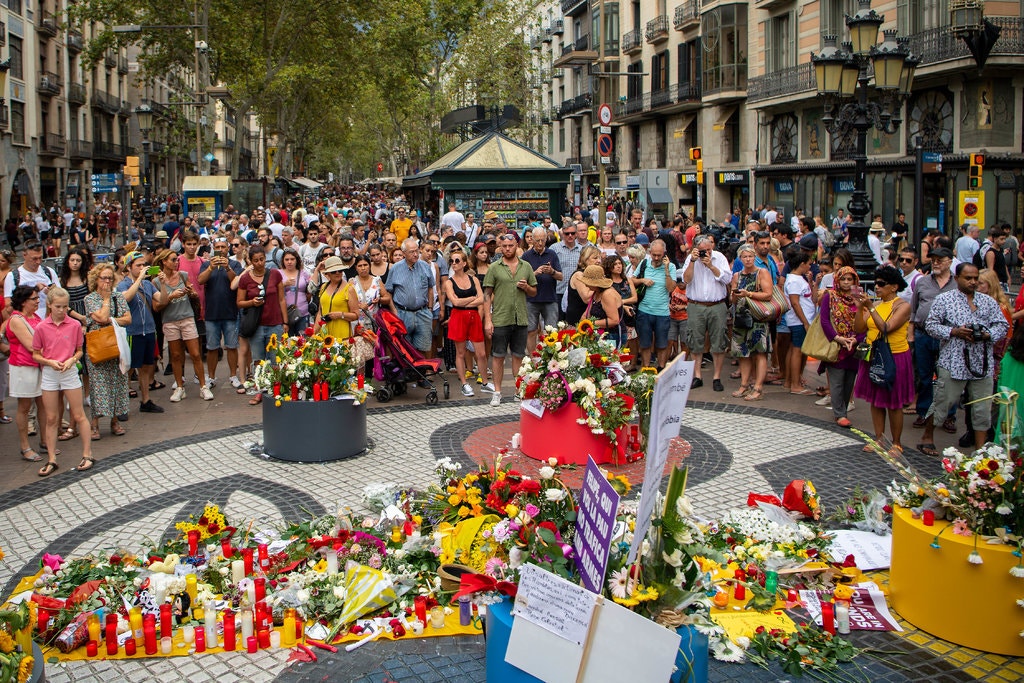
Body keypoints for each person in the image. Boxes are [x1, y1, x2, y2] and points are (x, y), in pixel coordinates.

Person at [917, 263, 1009, 454]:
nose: (973, 282)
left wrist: (987, 334)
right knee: (944, 401)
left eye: (976, 278)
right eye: (968, 278)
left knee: (982, 407)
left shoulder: (988, 301)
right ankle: (927, 436)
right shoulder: (944, 299)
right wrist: (954, 331)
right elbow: (931, 326)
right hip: (953, 361)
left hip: (982, 362)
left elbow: (1002, 325)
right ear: (957, 278)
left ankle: (981, 449)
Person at [853, 266, 914, 454]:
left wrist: (870, 308)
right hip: (873, 355)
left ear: (894, 287)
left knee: (894, 402)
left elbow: (886, 327)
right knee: (876, 400)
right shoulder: (877, 305)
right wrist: (861, 308)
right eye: (875, 283)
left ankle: (896, 443)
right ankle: (879, 438)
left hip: (894, 356)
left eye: (881, 284)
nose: (876, 287)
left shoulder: (902, 305)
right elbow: (859, 328)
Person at [32, 287, 93, 473]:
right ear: (49, 305)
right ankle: (51, 458)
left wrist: (72, 360)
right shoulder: (41, 327)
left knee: (78, 414)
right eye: (58, 306)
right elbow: (35, 354)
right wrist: (49, 361)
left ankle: (87, 453)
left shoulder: (74, 324)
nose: (62, 310)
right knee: (51, 417)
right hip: (50, 372)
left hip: (68, 370)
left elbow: (79, 350)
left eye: (65, 307)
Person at [483, 233, 537, 406]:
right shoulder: (494, 267)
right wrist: (488, 320)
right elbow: (487, 294)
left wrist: (526, 287)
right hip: (500, 317)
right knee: (498, 356)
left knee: (518, 356)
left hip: (520, 317)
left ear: (517, 245)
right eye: (504, 246)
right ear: (500, 247)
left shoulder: (526, 266)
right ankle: (497, 391)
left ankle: (517, 390)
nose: (507, 249)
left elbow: (534, 292)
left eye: (511, 246)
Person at [152, 250, 212, 402]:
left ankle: (203, 386)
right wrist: (171, 296)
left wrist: (190, 292)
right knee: (176, 356)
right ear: (164, 262)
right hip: (170, 320)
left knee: (195, 354)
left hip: (187, 317)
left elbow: (193, 293)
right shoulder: (157, 282)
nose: (176, 262)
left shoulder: (183, 275)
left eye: (177, 260)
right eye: (173, 260)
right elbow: (156, 307)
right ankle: (180, 387)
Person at [83, 263, 132, 440]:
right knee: (98, 385)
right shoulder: (90, 299)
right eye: (104, 278)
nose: (107, 282)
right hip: (98, 346)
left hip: (116, 344)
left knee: (118, 383)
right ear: (96, 279)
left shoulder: (118, 297)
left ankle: (115, 421)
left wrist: (111, 319)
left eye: (110, 278)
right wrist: (105, 301)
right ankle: (94, 424)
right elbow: (100, 317)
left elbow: (128, 319)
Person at [910, 247, 957, 427]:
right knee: (924, 375)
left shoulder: (956, 283)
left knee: (947, 376)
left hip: (948, 336)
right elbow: (914, 309)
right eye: (933, 259)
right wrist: (911, 334)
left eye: (940, 259)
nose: (935, 263)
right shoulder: (923, 282)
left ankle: (949, 415)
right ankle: (924, 412)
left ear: (949, 261)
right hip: (924, 334)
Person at [4, 286, 49, 468]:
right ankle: (25, 446)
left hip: (37, 366)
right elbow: (32, 345)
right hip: (23, 367)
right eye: (34, 299)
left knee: (43, 404)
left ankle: (45, 441)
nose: (38, 301)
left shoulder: (35, 316)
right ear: (23, 302)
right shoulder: (16, 319)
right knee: (24, 407)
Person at [236, 249, 288, 405]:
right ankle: (260, 391)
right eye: (256, 260)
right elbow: (239, 302)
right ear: (250, 261)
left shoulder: (275, 274)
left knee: (275, 360)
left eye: (262, 259)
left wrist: (285, 322)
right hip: (257, 325)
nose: (259, 263)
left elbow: (281, 300)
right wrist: (252, 302)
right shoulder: (245, 279)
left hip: (275, 323)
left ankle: (275, 390)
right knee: (259, 360)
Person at [817, 266, 865, 427]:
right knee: (836, 381)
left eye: (849, 279)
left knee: (849, 380)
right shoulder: (829, 296)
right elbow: (824, 320)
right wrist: (838, 338)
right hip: (836, 345)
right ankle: (839, 413)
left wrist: (856, 339)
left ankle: (843, 409)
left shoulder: (859, 298)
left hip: (853, 346)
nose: (846, 282)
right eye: (843, 279)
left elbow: (865, 321)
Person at [117, 252, 164, 413]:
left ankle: (146, 400)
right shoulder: (123, 285)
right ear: (129, 267)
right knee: (128, 368)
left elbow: (162, 300)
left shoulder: (148, 284)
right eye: (138, 265)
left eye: (144, 265)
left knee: (146, 367)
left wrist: (163, 284)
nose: (142, 268)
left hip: (149, 330)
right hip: (132, 331)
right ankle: (122, 406)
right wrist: (139, 279)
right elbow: (125, 298)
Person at [683, 235, 730, 389]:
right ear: (696, 249)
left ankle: (717, 377)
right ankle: (697, 376)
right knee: (695, 341)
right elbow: (686, 280)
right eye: (703, 251)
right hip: (696, 305)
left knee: (718, 342)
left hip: (717, 305)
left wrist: (711, 266)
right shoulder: (691, 259)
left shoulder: (720, 258)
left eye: (709, 250)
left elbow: (727, 279)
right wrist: (692, 261)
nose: (707, 254)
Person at [198, 238, 244, 393]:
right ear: (213, 248)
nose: (220, 249)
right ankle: (211, 377)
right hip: (211, 313)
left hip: (230, 312)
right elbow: (200, 280)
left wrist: (227, 268)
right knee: (212, 348)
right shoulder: (206, 264)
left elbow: (236, 283)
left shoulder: (235, 264)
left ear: (228, 248)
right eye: (217, 247)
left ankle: (233, 376)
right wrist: (210, 267)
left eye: (223, 247)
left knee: (232, 346)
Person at [729, 245, 774, 401]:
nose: (747, 259)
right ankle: (744, 384)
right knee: (743, 352)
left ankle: (758, 387)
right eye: (744, 256)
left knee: (760, 352)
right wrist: (735, 295)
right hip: (741, 317)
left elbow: (768, 294)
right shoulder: (737, 275)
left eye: (750, 256)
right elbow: (732, 299)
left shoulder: (762, 273)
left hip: (757, 317)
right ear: (740, 259)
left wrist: (748, 294)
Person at [445, 247, 489, 397]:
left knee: (481, 353)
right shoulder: (449, 283)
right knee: (461, 352)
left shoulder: (473, 279)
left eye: (457, 260)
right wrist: (472, 299)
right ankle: (464, 383)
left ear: (464, 263)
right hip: (458, 317)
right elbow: (454, 302)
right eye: (451, 261)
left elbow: (482, 298)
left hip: (473, 317)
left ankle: (484, 381)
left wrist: (467, 302)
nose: (454, 263)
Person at [385, 238, 435, 355]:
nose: (415, 254)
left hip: (423, 312)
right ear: (404, 253)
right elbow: (389, 292)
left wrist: (430, 309)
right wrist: (394, 311)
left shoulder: (425, 266)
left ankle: (425, 371)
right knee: (404, 347)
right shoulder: (395, 269)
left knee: (425, 345)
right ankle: (407, 372)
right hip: (403, 313)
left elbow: (430, 288)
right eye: (411, 252)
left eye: (417, 251)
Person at [523, 227, 562, 351]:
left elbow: (561, 276)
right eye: (537, 240)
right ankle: (532, 358)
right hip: (531, 299)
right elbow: (521, 278)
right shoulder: (526, 256)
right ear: (532, 240)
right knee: (531, 330)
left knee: (552, 331)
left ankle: (551, 356)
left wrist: (552, 271)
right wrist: (535, 273)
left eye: (543, 240)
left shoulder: (552, 254)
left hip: (550, 298)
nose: (540, 243)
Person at [782, 252, 817, 395]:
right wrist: (805, 322)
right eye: (808, 264)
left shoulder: (797, 279)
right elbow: (795, 303)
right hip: (799, 321)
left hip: (800, 320)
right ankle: (795, 384)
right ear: (802, 264)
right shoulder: (794, 281)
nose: (809, 267)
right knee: (797, 350)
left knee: (794, 349)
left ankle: (791, 381)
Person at [4, 241, 58, 316]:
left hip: (49, 320)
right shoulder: (13, 276)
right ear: (24, 255)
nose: (38, 262)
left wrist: (53, 293)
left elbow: (61, 298)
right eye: (34, 259)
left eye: (40, 258)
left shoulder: (49, 272)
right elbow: (9, 308)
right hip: (26, 322)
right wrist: (34, 290)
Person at [314, 256, 360, 339]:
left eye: (340, 270)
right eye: (334, 271)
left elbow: (356, 315)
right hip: (324, 335)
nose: (338, 273)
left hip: (342, 335)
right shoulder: (323, 287)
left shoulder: (349, 289)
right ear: (327, 273)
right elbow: (320, 313)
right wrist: (313, 333)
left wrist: (340, 315)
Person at [578, 265, 622, 344]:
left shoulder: (607, 294)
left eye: (587, 283)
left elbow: (614, 320)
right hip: (599, 335)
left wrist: (590, 323)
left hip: (611, 336)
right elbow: (586, 314)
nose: (585, 285)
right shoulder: (596, 292)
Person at [279, 248, 310, 332]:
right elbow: (273, 290)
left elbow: (310, 290)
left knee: (303, 341)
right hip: (285, 314)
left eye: (292, 259)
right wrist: (284, 284)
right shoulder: (278, 273)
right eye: (287, 259)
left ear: (297, 260)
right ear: (283, 261)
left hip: (302, 312)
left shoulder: (303, 273)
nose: (289, 262)